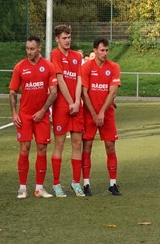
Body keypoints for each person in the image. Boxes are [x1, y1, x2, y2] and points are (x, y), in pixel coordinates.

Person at [9, 36, 58, 199]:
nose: (29, 51)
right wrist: (14, 113)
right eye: (27, 48)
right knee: (24, 148)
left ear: (39, 49)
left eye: (32, 49)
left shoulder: (48, 66)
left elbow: (54, 92)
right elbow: (13, 92)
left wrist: (43, 111)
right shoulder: (19, 67)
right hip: (25, 115)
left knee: (42, 149)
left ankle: (39, 188)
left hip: (42, 116)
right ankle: (22, 188)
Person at [80, 37, 122, 195]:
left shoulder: (114, 67)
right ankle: (86, 184)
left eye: (106, 50)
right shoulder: (86, 67)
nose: (105, 53)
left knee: (110, 147)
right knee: (87, 147)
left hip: (107, 114)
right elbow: (84, 93)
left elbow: (113, 92)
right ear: (95, 51)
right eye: (102, 50)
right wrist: (94, 114)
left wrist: (102, 112)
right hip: (89, 113)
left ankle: (112, 183)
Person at [50, 25, 85, 197]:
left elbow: (79, 79)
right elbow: (60, 80)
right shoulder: (55, 54)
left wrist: (77, 102)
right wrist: (71, 102)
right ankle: (56, 184)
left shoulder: (77, 56)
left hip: (76, 105)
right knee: (59, 143)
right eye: (64, 38)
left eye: (69, 37)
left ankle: (76, 183)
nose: (67, 40)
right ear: (57, 39)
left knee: (77, 143)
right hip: (62, 106)